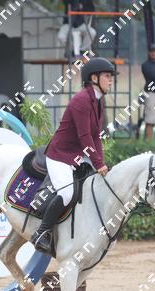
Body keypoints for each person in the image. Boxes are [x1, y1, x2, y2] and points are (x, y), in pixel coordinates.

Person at [29, 57, 115, 255]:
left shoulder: (98, 101)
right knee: (67, 193)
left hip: (77, 156)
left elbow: (96, 136)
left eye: (111, 76)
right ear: (94, 78)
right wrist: (97, 163)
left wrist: (101, 163)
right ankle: (41, 233)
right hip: (60, 155)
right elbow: (84, 136)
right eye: (107, 76)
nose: (111, 80)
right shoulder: (81, 100)